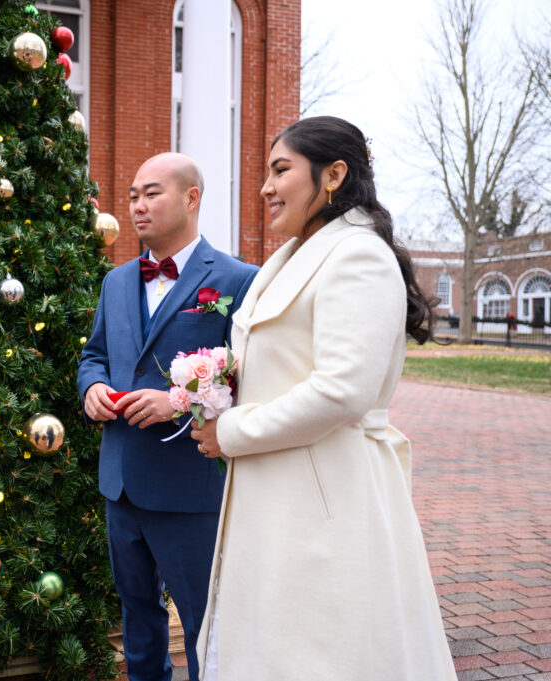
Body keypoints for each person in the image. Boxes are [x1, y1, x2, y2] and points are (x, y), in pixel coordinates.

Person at [190, 117, 456, 680]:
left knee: (321, 654)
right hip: (275, 494)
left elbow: (342, 391)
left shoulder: (358, 255)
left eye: (280, 170)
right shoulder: (291, 257)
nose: (266, 187)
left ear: (333, 175)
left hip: (325, 498)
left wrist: (229, 431)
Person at [77, 153, 258, 681]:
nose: (137, 205)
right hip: (121, 483)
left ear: (191, 198)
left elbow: (250, 374)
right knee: (137, 619)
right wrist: (92, 388)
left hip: (190, 486)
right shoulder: (116, 282)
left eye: (151, 193)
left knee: (204, 623)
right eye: (133, 195)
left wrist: (176, 401)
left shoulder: (239, 279)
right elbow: (94, 355)